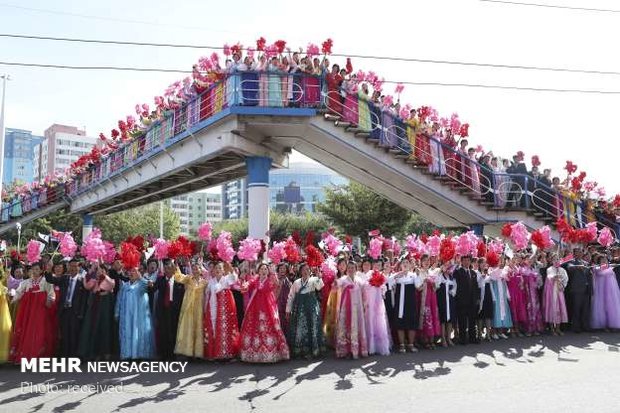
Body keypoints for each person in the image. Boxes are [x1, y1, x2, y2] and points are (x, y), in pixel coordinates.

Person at [239, 263, 289, 363]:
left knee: (270, 327)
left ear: (268, 271)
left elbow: (276, 285)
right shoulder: (255, 279)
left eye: (265, 269)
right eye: (261, 269)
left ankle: (271, 353)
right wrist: (244, 282)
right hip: (255, 307)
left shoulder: (271, 279)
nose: (263, 271)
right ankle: (254, 354)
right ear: (258, 271)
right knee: (254, 328)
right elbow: (248, 285)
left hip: (268, 307)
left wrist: (274, 273)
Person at [9, 262, 56, 362]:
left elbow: (51, 294)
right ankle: (26, 354)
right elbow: (19, 292)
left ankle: (38, 355)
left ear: (41, 271)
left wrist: (49, 299)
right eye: (33, 269)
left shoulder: (46, 281)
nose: (34, 272)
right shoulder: (26, 282)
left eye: (37, 269)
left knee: (39, 331)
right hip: (28, 312)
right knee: (27, 331)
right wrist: (13, 299)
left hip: (40, 311)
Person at [44, 258, 89, 357]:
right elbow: (51, 279)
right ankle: (65, 355)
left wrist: (81, 313)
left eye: (75, 266)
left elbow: (84, 300)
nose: (73, 268)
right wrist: (49, 269)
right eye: (71, 266)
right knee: (64, 334)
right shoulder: (64, 278)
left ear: (79, 267)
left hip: (75, 312)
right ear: (68, 267)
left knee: (74, 334)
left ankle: (74, 356)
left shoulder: (82, 281)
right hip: (64, 310)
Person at [115, 264, 155, 360]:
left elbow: (150, 284)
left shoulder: (142, 284)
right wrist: (117, 312)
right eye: (130, 271)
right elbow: (119, 300)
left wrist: (141, 277)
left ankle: (139, 355)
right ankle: (128, 354)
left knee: (138, 333)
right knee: (127, 332)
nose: (131, 273)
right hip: (127, 316)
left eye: (134, 271)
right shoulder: (125, 286)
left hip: (139, 316)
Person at [286, 263, 324, 358]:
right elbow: (291, 296)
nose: (306, 271)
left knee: (313, 327)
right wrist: (288, 309)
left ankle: (313, 349)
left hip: (311, 308)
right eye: (303, 270)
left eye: (307, 269)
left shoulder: (313, 280)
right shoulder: (296, 282)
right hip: (300, 309)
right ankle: (301, 350)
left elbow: (319, 287)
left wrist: (319, 277)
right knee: (300, 328)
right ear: (300, 271)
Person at [78, 263, 116, 360]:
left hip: (105, 308)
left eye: (103, 271)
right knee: (94, 328)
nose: (100, 273)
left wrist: (102, 273)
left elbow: (110, 285)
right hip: (95, 307)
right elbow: (86, 285)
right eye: (99, 271)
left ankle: (106, 352)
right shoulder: (94, 281)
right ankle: (95, 353)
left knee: (105, 329)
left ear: (106, 272)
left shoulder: (110, 280)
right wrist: (91, 271)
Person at [204, 262, 240, 360]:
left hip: (225, 310)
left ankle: (227, 353)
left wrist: (231, 269)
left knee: (226, 329)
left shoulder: (226, 279)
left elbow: (234, 279)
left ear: (223, 270)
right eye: (216, 268)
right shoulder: (211, 281)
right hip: (213, 308)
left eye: (220, 268)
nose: (218, 270)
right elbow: (207, 296)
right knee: (214, 329)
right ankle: (216, 353)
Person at [173, 261, 208, 358]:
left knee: (198, 328)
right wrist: (176, 265)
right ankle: (187, 351)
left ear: (201, 269)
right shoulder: (188, 279)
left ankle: (197, 353)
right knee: (188, 328)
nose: (195, 270)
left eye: (197, 268)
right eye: (193, 268)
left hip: (199, 309)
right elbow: (178, 277)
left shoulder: (205, 282)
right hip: (188, 308)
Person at [152, 258, 185, 360]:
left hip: (174, 310)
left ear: (173, 270)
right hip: (162, 309)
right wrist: (150, 284)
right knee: (163, 331)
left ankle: (172, 354)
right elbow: (153, 288)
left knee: (173, 331)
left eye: (169, 268)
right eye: (165, 268)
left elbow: (182, 295)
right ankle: (163, 354)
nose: (167, 270)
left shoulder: (179, 281)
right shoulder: (160, 280)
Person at [335, 261, 368, 359]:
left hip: (357, 309)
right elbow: (335, 286)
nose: (350, 269)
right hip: (346, 309)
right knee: (345, 327)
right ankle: (346, 350)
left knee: (357, 327)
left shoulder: (360, 281)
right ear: (346, 269)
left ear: (356, 268)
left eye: (353, 267)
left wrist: (365, 305)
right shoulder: (343, 280)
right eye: (349, 268)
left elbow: (364, 294)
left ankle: (357, 350)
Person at [390, 257, 422, 353]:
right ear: (400, 265)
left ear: (410, 265)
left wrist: (420, 275)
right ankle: (402, 345)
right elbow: (389, 282)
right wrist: (398, 275)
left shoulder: (413, 275)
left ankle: (411, 344)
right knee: (400, 324)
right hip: (399, 303)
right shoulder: (396, 275)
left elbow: (418, 286)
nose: (405, 264)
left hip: (410, 302)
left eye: (407, 262)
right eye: (403, 263)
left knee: (411, 322)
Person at [362, 264, 391, 356]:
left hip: (378, 302)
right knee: (370, 321)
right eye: (375, 265)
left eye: (378, 265)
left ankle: (379, 345)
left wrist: (379, 285)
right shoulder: (367, 276)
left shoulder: (381, 276)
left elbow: (384, 289)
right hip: (370, 302)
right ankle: (370, 346)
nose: (376, 267)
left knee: (379, 322)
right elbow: (365, 288)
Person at [564, 248, 592, 333]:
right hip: (576, 290)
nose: (580, 253)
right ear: (574, 253)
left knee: (585, 309)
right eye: (577, 252)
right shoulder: (571, 262)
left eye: (581, 251)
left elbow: (589, 275)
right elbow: (570, 267)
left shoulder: (586, 263)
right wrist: (577, 266)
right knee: (576, 309)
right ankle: (576, 327)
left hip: (586, 289)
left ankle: (585, 326)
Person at [416, 255, 441, 349]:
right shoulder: (419, 271)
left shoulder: (432, 272)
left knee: (433, 315)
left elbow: (437, 286)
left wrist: (434, 283)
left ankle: (432, 339)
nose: (426, 262)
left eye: (428, 260)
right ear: (421, 262)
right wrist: (425, 282)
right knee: (426, 316)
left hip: (432, 298)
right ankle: (425, 340)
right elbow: (417, 286)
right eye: (424, 260)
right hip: (423, 297)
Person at [453, 256, 480, 345]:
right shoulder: (458, 272)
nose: (467, 262)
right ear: (461, 261)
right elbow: (456, 286)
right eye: (464, 260)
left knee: (472, 320)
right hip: (462, 301)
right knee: (462, 321)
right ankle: (463, 338)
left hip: (472, 301)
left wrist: (477, 298)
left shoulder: (473, 273)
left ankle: (473, 337)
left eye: (468, 260)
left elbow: (476, 287)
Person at [590, 255, 620, 330]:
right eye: (602, 260)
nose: (604, 261)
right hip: (601, 291)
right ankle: (603, 325)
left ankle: (612, 324)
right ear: (599, 261)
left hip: (611, 292)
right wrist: (606, 267)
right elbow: (599, 272)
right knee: (601, 307)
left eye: (605, 259)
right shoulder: (597, 268)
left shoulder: (610, 268)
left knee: (611, 307)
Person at [543, 254, 568, 335]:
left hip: (559, 291)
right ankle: (552, 328)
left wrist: (563, 285)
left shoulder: (562, 269)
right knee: (552, 308)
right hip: (551, 292)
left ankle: (558, 328)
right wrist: (555, 276)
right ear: (552, 261)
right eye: (554, 259)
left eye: (557, 259)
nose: (556, 261)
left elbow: (566, 278)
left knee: (560, 309)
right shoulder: (549, 269)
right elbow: (549, 276)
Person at [437, 261, 457, 347]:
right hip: (442, 300)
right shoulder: (440, 276)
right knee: (443, 319)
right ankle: (443, 338)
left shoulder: (452, 277)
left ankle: (448, 338)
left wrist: (453, 291)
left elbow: (455, 287)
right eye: (445, 265)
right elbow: (437, 284)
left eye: (449, 265)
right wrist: (440, 271)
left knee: (450, 320)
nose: (447, 267)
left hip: (450, 300)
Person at [489, 265, 512, 339]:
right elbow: (491, 284)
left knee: (503, 313)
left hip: (502, 295)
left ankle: (500, 332)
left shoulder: (503, 271)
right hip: (496, 295)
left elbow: (505, 283)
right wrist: (493, 297)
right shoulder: (491, 270)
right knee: (496, 313)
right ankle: (494, 332)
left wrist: (508, 295)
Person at [477, 258, 494, 341]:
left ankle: (488, 334)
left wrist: (488, 274)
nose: (484, 264)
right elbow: (477, 284)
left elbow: (491, 281)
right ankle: (479, 334)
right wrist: (481, 276)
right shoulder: (477, 273)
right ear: (479, 264)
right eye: (482, 263)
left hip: (488, 295)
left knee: (488, 315)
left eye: (485, 263)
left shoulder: (488, 272)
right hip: (480, 295)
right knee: (480, 316)